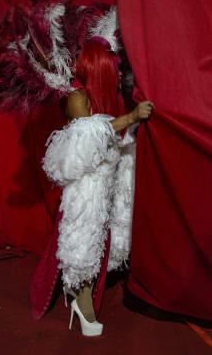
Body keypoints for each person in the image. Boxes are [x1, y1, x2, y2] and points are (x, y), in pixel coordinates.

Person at [40, 40, 154, 336]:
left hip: (108, 182)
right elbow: (88, 135)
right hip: (86, 189)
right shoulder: (77, 97)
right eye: (114, 69)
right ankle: (82, 299)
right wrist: (131, 117)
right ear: (100, 68)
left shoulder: (111, 99)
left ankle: (95, 285)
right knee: (84, 242)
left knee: (108, 236)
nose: (119, 75)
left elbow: (117, 134)